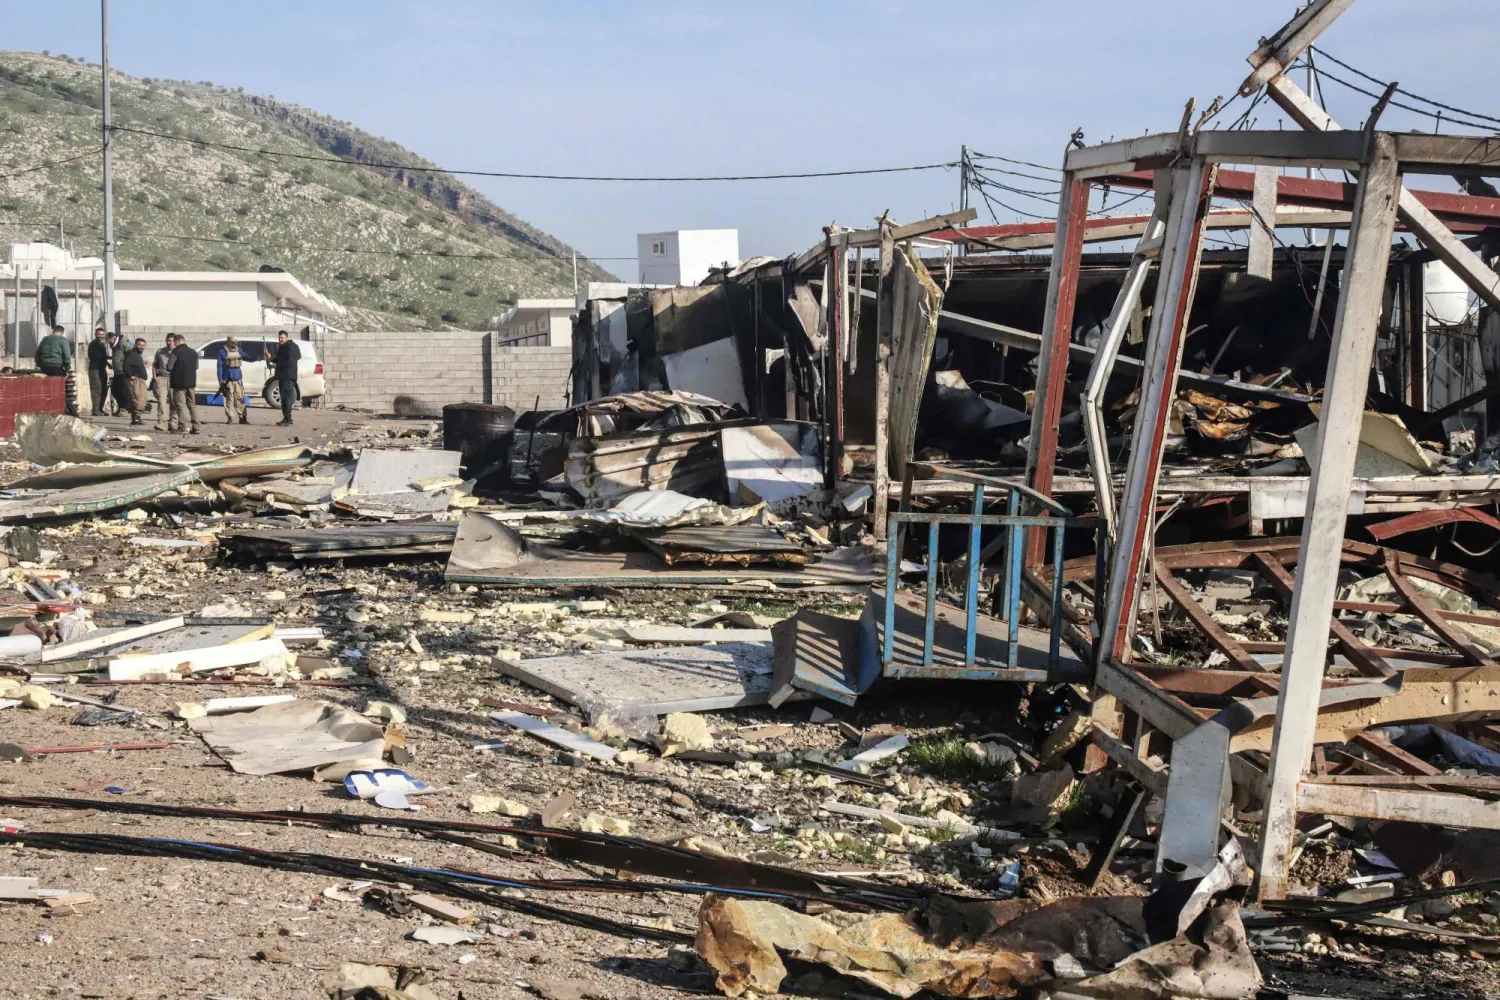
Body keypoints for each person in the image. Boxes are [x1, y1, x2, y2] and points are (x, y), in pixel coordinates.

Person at [169, 332, 200, 435]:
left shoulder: (175, 352)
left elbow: (169, 367)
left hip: (179, 383)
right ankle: (196, 426)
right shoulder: (193, 352)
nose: (173, 344)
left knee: (180, 404)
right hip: (191, 382)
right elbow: (196, 366)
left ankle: (182, 426)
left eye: (174, 342)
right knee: (192, 404)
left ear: (177, 341)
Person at [268, 329, 301, 427]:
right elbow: (278, 359)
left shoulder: (291, 347)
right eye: (279, 338)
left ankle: (288, 419)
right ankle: (286, 418)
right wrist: (269, 357)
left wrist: (277, 366)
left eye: (282, 338)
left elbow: (289, 362)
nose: (280, 340)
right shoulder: (282, 347)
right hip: (282, 376)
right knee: (283, 398)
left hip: (288, 376)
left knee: (286, 398)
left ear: (286, 337)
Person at [217, 335, 249, 425]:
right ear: (228, 341)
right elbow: (219, 366)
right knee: (229, 399)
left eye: (236, 342)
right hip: (227, 379)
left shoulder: (239, 350)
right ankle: (230, 417)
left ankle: (242, 417)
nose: (235, 343)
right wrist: (220, 380)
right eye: (233, 342)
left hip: (238, 378)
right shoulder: (222, 351)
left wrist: (258, 357)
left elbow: (246, 357)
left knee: (240, 398)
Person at [151, 334, 176, 432]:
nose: (170, 343)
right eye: (169, 340)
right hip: (162, 378)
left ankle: (173, 422)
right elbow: (154, 365)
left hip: (173, 379)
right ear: (166, 341)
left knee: (174, 402)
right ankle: (161, 422)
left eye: (172, 341)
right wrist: (155, 377)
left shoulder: (178, 352)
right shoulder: (160, 352)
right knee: (161, 401)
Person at [123, 337, 150, 426]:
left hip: (140, 380)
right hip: (136, 381)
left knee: (141, 399)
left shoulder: (137, 354)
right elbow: (125, 365)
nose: (141, 347)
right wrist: (130, 375)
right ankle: (136, 418)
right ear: (135, 345)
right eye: (139, 345)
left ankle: (136, 418)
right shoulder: (132, 354)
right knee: (138, 399)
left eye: (143, 345)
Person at [86, 327, 110, 416]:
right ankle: (96, 410)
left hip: (102, 369)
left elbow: (103, 357)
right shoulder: (93, 344)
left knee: (104, 389)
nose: (101, 336)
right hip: (95, 370)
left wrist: (108, 362)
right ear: (95, 335)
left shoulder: (102, 345)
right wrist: (107, 360)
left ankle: (100, 409)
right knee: (97, 389)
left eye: (102, 334)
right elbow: (96, 357)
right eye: (99, 334)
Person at [107, 331, 129, 416]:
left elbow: (130, 353)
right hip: (117, 372)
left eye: (110, 339)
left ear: (114, 338)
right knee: (115, 390)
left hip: (123, 372)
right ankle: (121, 407)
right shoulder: (114, 346)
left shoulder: (122, 343)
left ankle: (123, 409)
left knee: (122, 391)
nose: (109, 342)